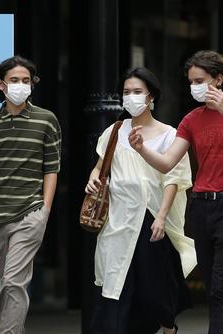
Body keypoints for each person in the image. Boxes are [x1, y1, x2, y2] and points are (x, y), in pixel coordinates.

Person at [129, 50, 223, 334]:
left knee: (221, 289)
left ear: (218, 79)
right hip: (201, 208)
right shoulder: (192, 119)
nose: (195, 87)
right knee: (216, 288)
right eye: (191, 82)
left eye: (200, 80)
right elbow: (167, 162)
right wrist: (142, 149)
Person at [86, 67, 195, 334]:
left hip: (151, 221)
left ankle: (167, 327)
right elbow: (101, 167)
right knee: (116, 290)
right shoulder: (113, 132)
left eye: (137, 92)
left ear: (151, 97)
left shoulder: (170, 134)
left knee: (153, 292)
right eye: (126, 92)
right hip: (118, 221)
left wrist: (161, 216)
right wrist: (92, 179)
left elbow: (174, 179)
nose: (130, 97)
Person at [0, 56, 61, 333]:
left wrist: (44, 211)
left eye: (26, 81)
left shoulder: (46, 120)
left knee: (13, 282)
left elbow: (51, 168)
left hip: (29, 213)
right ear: (1, 85)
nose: (21, 85)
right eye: (14, 80)